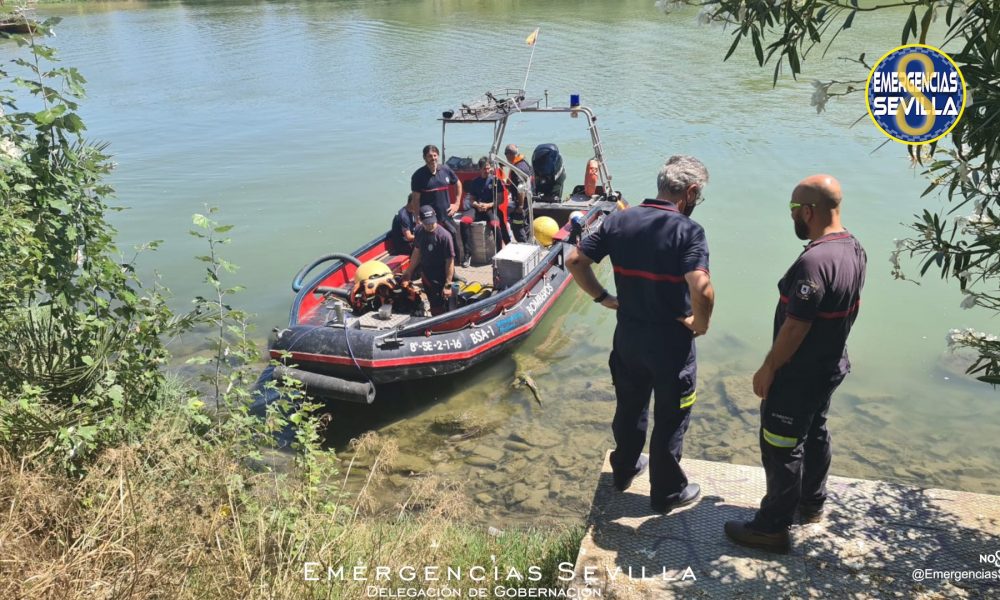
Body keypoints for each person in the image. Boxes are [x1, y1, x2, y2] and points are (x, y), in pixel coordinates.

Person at [724, 174, 867, 554]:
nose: (792, 217)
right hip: (830, 366)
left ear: (808, 211)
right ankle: (812, 503)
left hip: (799, 373)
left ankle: (772, 527)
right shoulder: (853, 248)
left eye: (793, 210)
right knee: (815, 429)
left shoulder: (815, 262)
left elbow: (795, 327)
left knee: (781, 442)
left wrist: (769, 367)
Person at [566, 155, 715, 514]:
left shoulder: (619, 219)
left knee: (630, 407)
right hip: (671, 344)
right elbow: (702, 288)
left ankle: (625, 470)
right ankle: (666, 492)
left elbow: (574, 261)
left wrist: (603, 298)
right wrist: (701, 323)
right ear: (690, 193)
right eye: (699, 197)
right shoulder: (688, 231)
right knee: (671, 415)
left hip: (629, 337)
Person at [411, 144, 464, 265]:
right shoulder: (418, 176)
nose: (433, 158)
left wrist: (456, 203)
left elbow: (458, 184)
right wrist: (417, 217)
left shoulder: (445, 170)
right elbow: (415, 198)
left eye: (435, 155)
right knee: (432, 244)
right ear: (424, 158)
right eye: (429, 156)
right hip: (429, 219)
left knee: (453, 236)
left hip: (446, 215)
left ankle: (454, 267)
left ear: (438, 156)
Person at [402, 205, 455, 315]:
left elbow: (450, 262)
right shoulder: (419, 231)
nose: (430, 225)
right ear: (420, 221)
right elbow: (417, 251)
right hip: (426, 274)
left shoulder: (445, 236)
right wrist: (409, 271)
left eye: (432, 222)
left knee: (441, 306)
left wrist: (448, 284)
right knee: (432, 302)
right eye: (427, 223)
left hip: (440, 276)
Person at [459, 157, 502, 266]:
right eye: (484, 169)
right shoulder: (475, 182)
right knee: (464, 221)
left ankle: (499, 254)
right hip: (477, 208)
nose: (487, 171)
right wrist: (477, 205)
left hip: (490, 208)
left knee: (495, 224)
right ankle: (468, 255)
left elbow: (500, 199)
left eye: (488, 168)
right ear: (480, 169)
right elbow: (472, 199)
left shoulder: (495, 181)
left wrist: (488, 205)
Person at [504, 143, 534, 243]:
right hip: (528, 200)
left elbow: (521, 188)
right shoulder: (523, 162)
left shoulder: (518, 169)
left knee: (517, 225)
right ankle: (529, 243)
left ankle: (524, 245)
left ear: (509, 155)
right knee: (526, 225)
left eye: (506, 154)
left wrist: (520, 207)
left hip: (522, 203)